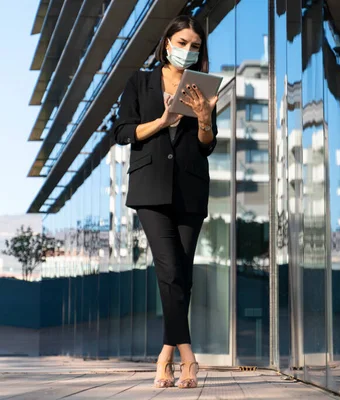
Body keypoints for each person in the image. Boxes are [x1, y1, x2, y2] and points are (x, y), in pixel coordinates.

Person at [112, 15, 218, 389]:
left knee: (182, 276)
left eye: (195, 46)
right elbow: (123, 132)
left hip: (190, 190)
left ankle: (165, 356)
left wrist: (204, 117)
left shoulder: (202, 88)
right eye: (182, 42)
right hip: (150, 189)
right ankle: (187, 357)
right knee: (169, 269)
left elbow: (207, 145)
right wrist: (163, 120)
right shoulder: (140, 82)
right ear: (167, 42)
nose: (188, 51)